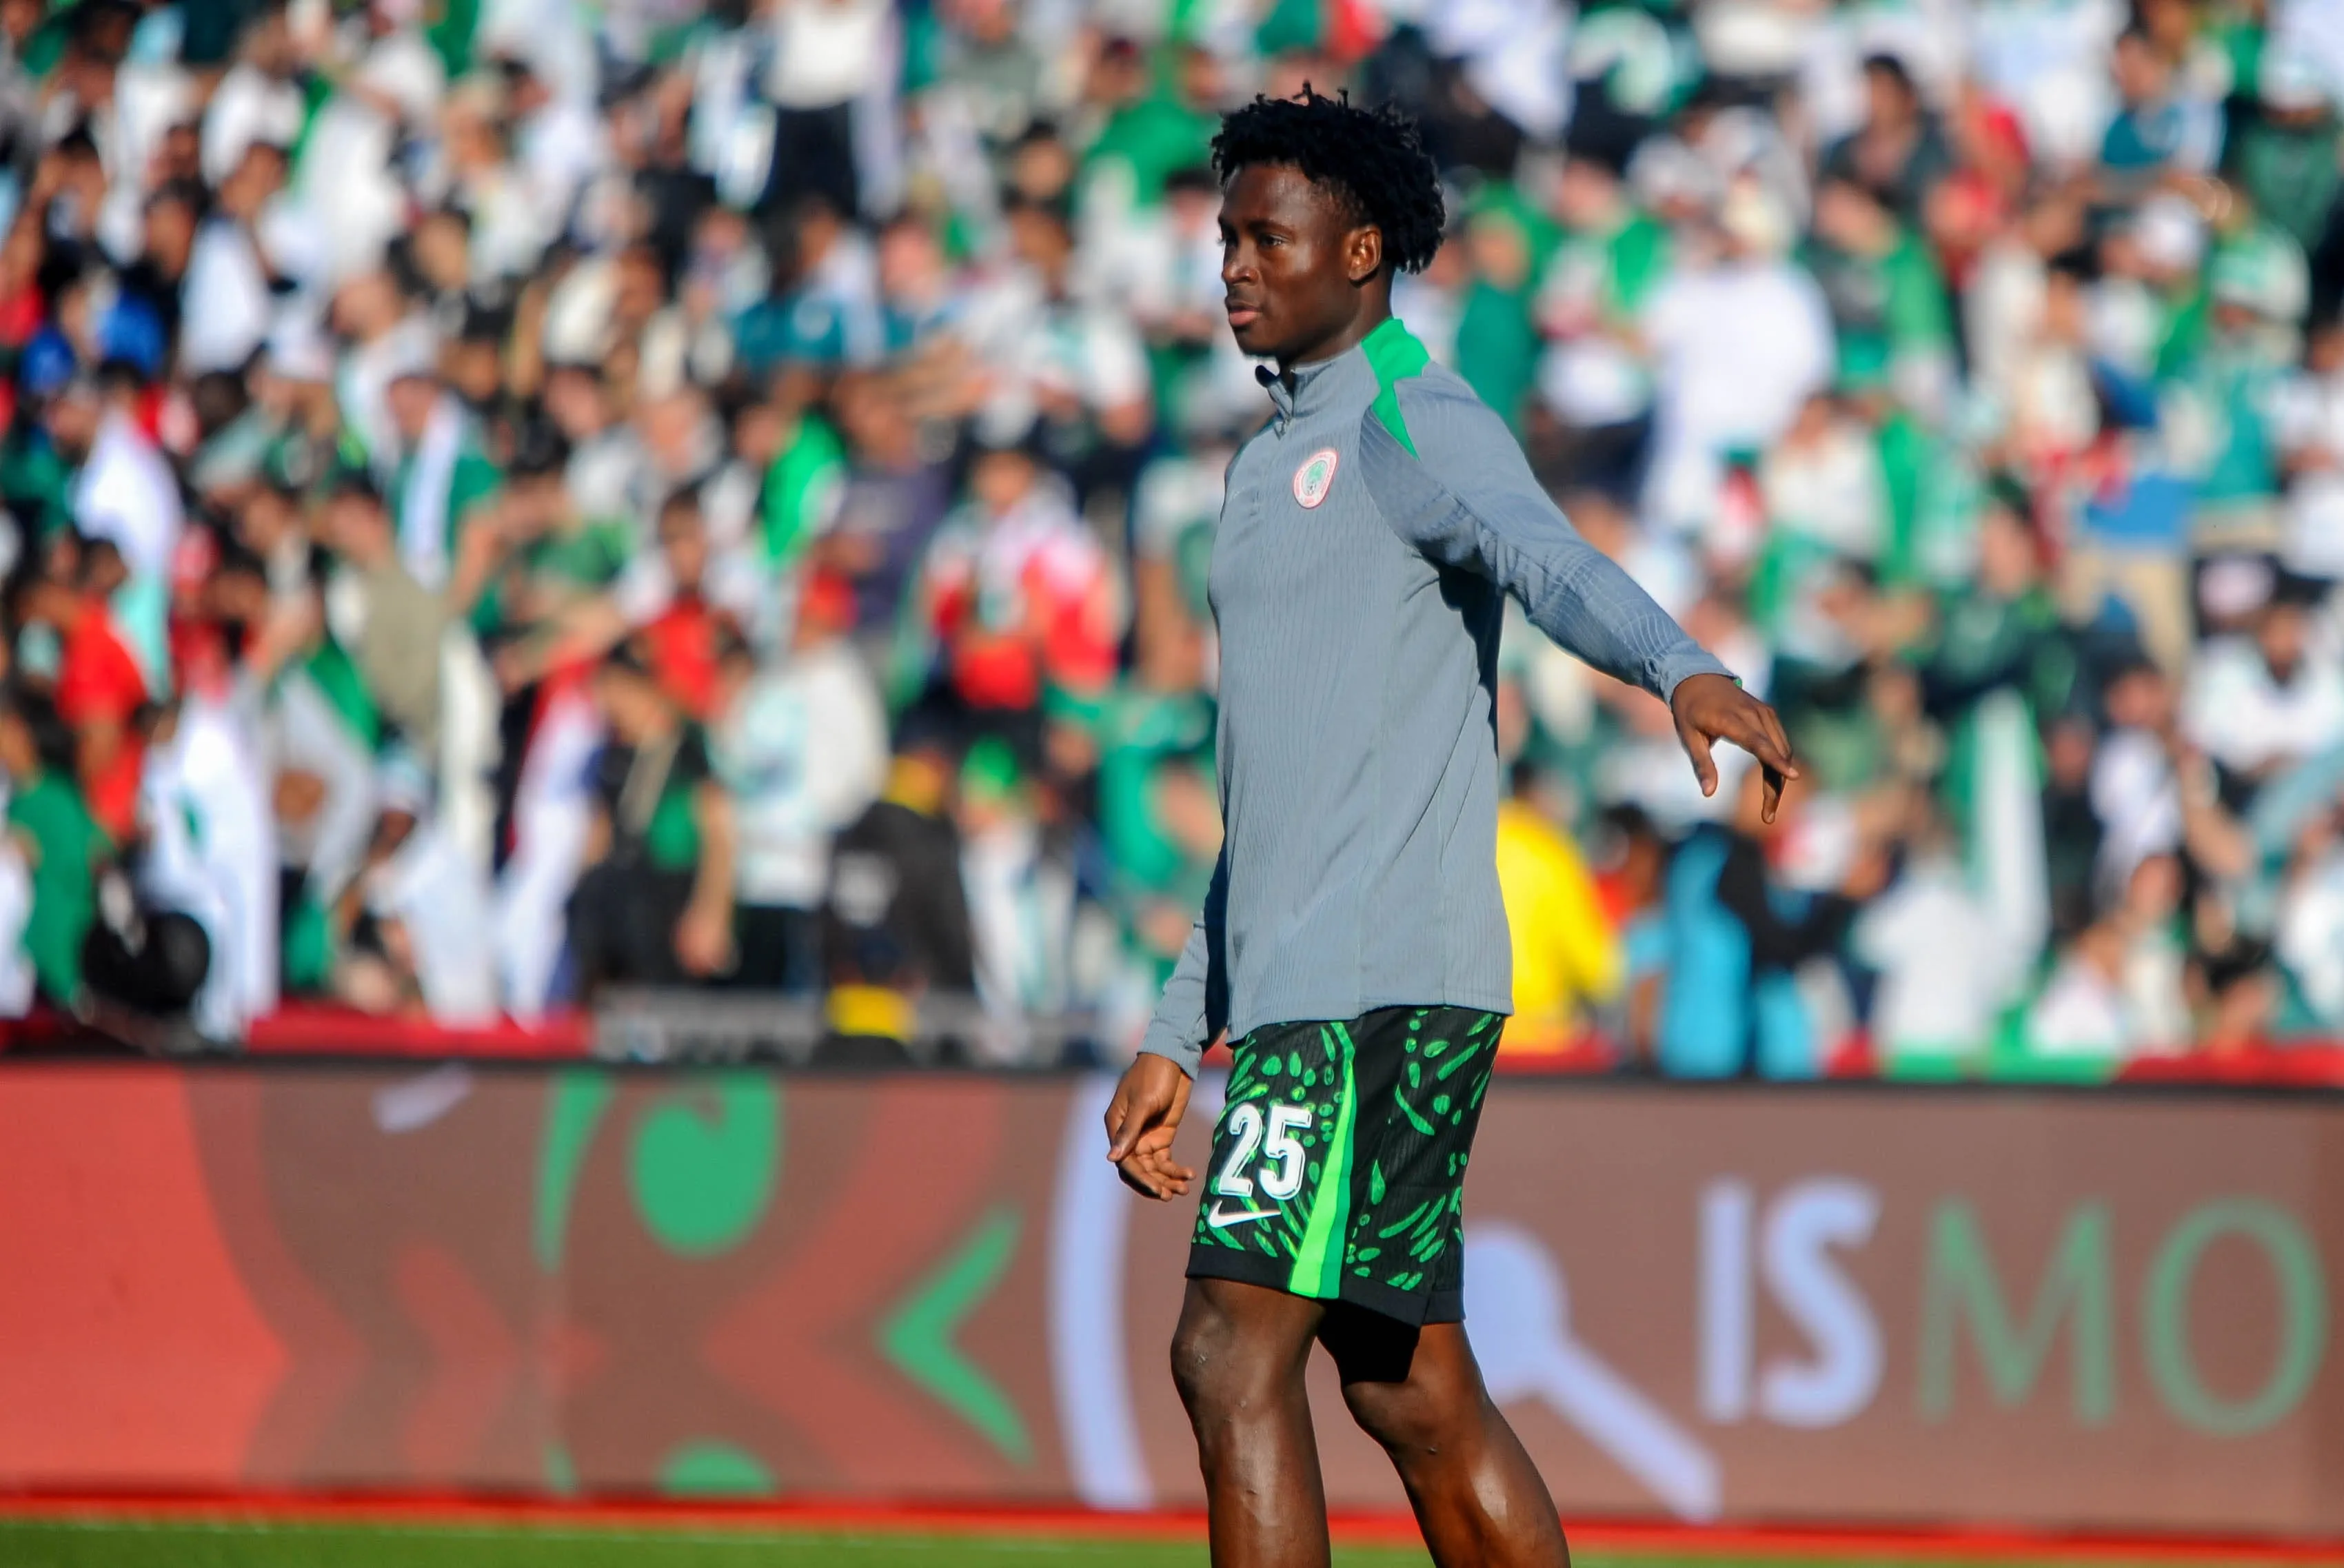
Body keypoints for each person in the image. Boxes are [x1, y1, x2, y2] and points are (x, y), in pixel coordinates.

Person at [1100, 90, 1795, 1568]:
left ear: (1361, 252)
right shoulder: (1251, 474)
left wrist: (1681, 667)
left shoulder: (1412, 413)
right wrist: (1179, 1026)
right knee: (1401, 1382)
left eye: (1263, 238)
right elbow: (1266, 801)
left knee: (1230, 1355)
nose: (1229, 266)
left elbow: (1542, 556)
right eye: (1222, 236)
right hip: (1313, 980)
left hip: (1368, 985)